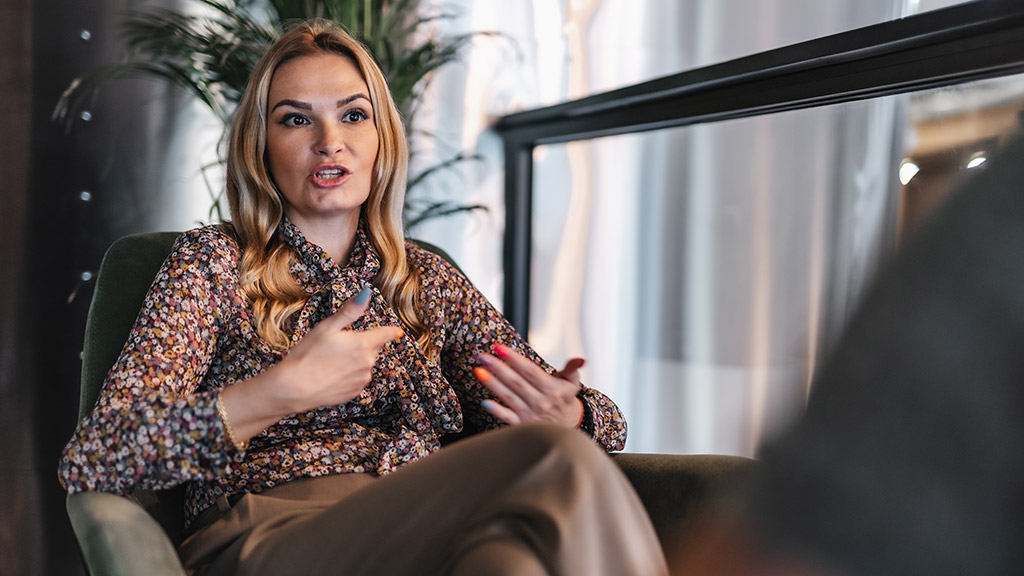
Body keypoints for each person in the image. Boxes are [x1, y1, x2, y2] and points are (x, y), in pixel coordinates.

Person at [58, 18, 667, 576]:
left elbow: (582, 414)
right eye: (296, 119)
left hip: (422, 522)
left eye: (353, 115)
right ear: (261, 145)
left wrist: (573, 416)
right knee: (549, 459)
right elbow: (97, 454)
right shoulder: (213, 264)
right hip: (271, 537)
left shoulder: (425, 279)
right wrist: (276, 393)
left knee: (512, 561)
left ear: (382, 138)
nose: (330, 141)